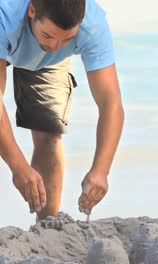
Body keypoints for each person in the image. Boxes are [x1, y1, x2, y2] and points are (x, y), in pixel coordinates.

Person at [0, 0, 124, 220]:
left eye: (67, 39)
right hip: (7, 34)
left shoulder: (91, 24)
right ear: (31, 10)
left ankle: (48, 229)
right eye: (48, 35)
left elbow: (110, 101)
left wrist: (101, 171)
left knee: (48, 133)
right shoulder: (5, 17)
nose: (55, 47)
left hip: (45, 63)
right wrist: (18, 166)